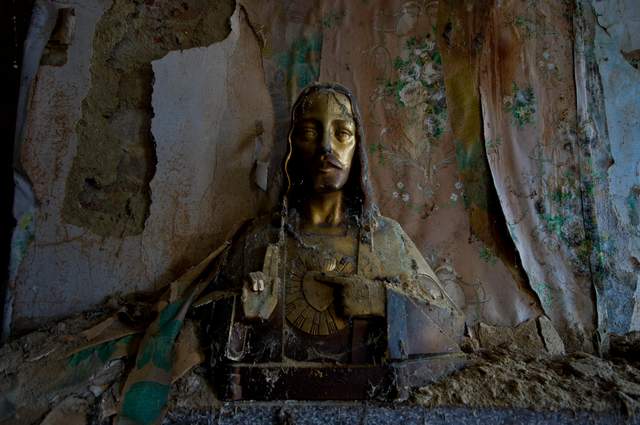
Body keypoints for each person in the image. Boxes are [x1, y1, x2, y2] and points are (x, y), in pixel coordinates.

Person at [207, 82, 465, 400]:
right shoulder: (260, 237)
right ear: (292, 147)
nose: (326, 148)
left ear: (357, 147)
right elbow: (200, 319)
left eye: (342, 133)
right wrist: (239, 308)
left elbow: (450, 328)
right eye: (310, 133)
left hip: (369, 404)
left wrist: (384, 302)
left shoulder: (385, 239)